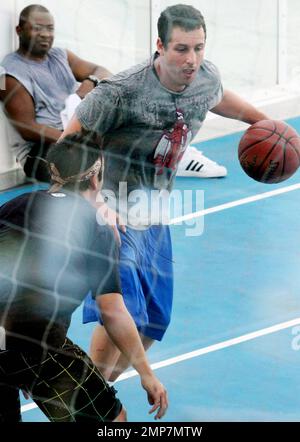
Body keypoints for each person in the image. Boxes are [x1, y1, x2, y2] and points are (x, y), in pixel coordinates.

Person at [61, 4, 268, 382]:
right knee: (120, 313)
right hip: (110, 216)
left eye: (199, 48)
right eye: (182, 49)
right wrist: (94, 203)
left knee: (154, 322)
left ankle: (94, 389)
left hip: (154, 217)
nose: (192, 59)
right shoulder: (122, 92)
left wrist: (264, 123)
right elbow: (66, 145)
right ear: (159, 45)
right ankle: (87, 403)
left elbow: (219, 97)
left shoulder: (205, 78)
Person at [0, 131, 168, 422]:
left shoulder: (14, 205)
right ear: (95, 178)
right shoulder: (97, 227)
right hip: (36, 345)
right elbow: (112, 311)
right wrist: (147, 374)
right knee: (112, 421)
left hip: (12, 344)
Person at [0, 4, 111, 182]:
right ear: (19, 30)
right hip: (43, 148)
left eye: (50, 28)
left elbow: (103, 72)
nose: (45, 34)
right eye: (37, 28)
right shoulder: (8, 73)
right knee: (85, 164)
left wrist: (90, 81)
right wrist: (78, 140)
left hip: (76, 133)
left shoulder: (60, 55)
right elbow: (27, 129)